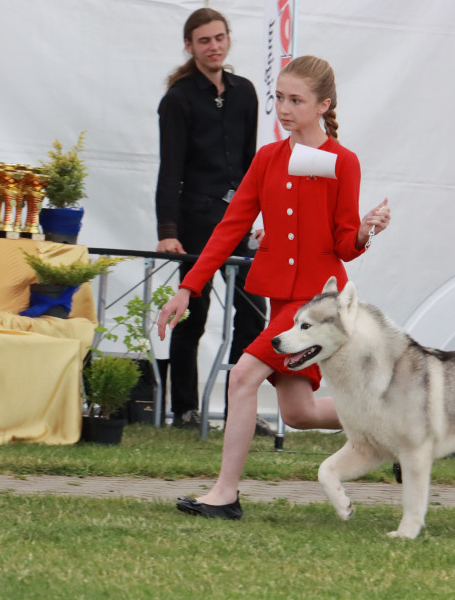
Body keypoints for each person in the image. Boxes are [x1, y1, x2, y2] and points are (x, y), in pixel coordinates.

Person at [157, 55, 391, 519]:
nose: (284, 108)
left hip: (318, 304)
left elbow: (344, 243)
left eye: (296, 100)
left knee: (242, 376)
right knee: (298, 414)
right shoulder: (267, 159)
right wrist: (188, 287)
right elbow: (229, 228)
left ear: (323, 105)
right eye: (280, 97)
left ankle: (225, 495)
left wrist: (365, 231)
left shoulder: (344, 162)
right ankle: (394, 426)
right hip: (282, 299)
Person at [155, 8, 269, 432]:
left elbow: (252, 165)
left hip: (239, 218)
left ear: (228, 39)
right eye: (204, 40)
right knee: (193, 314)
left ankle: (240, 409)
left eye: (220, 37)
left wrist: (263, 217)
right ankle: (185, 408)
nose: (214, 46)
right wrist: (168, 232)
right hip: (196, 220)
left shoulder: (244, 93)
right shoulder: (178, 99)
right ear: (190, 46)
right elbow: (171, 170)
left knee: (253, 314)